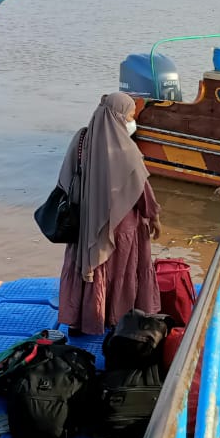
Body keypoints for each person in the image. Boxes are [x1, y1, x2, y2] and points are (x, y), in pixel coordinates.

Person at [58, 92, 161, 336]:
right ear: (118, 117)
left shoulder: (81, 139)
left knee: (88, 266)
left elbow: (64, 180)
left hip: (85, 224)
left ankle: (80, 320)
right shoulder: (127, 150)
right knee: (120, 273)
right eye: (129, 116)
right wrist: (154, 216)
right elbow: (141, 191)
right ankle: (115, 318)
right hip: (121, 227)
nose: (131, 121)